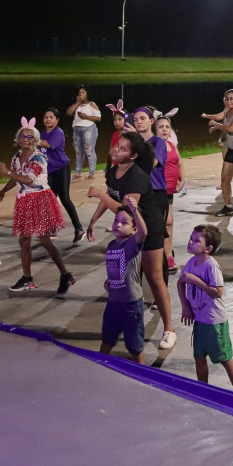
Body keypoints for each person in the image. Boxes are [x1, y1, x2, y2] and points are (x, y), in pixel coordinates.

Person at [87, 131, 177, 349]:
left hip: (149, 229)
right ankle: (126, 322)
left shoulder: (137, 175)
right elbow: (111, 194)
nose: (117, 150)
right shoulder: (114, 171)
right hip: (129, 230)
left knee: (154, 278)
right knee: (127, 276)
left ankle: (169, 329)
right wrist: (94, 219)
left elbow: (125, 209)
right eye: (117, 145)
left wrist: (99, 194)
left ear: (134, 155)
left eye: (123, 149)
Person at [0, 119, 74, 295]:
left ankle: (66, 274)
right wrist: (3, 190)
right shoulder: (16, 157)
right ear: (18, 139)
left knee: (45, 241)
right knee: (24, 240)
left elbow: (29, 180)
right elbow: (16, 177)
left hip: (41, 200)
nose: (25, 139)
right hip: (24, 200)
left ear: (36, 140)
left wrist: (7, 172)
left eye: (30, 137)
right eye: (23, 136)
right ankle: (27, 278)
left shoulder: (39, 158)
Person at [178, 224, 233, 391]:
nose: (190, 242)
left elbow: (218, 292)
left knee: (225, 358)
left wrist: (196, 281)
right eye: (191, 238)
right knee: (199, 358)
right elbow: (180, 282)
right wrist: (185, 305)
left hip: (214, 322)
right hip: (200, 321)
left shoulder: (211, 266)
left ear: (208, 248)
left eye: (196, 240)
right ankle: (203, 391)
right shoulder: (191, 263)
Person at [100, 198, 148, 364]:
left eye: (124, 222)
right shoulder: (111, 245)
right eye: (116, 220)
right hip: (113, 302)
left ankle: (141, 374)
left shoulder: (131, 244)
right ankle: (100, 368)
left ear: (134, 229)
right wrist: (110, 281)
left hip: (131, 305)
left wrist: (135, 211)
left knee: (135, 346)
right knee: (107, 340)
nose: (118, 225)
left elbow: (143, 233)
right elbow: (117, 269)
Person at [131, 107, 171, 276]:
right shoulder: (133, 144)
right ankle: (137, 283)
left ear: (151, 121)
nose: (138, 122)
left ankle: (162, 283)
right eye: (135, 119)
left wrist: (138, 142)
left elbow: (151, 163)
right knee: (138, 237)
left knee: (156, 240)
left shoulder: (158, 142)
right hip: (140, 194)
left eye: (142, 118)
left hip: (157, 194)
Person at [38, 107, 84, 244]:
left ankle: (79, 228)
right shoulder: (42, 133)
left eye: (51, 117)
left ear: (57, 120)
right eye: (46, 117)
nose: (48, 119)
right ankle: (52, 228)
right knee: (50, 200)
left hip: (61, 168)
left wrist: (32, 139)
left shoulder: (58, 132)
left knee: (64, 198)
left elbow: (47, 145)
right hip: (50, 171)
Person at [156, 115, 183, 272]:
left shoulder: (172, 145)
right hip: (158, 190)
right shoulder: (153, 145)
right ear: (155, 129)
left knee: (169, 222)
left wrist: (182, 179)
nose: (164, 129)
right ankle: (160, 255)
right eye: (161, 127)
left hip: (169, 191)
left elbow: (179, 163)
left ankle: (168, 255)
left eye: (167, 127)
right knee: (161, 223)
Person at [67, 86, 101, 180]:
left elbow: (98, 118)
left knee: (89, 151)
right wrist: (77, 103)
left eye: (83, 92)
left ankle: (92, 172)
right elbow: (69, 112)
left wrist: (86, 117)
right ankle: (78, 172)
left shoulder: (91, 104)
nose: (81, 94)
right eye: (79, 93)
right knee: (78, 151)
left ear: (87, 94)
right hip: (76, 129)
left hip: (88, 128)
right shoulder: (77, 105)